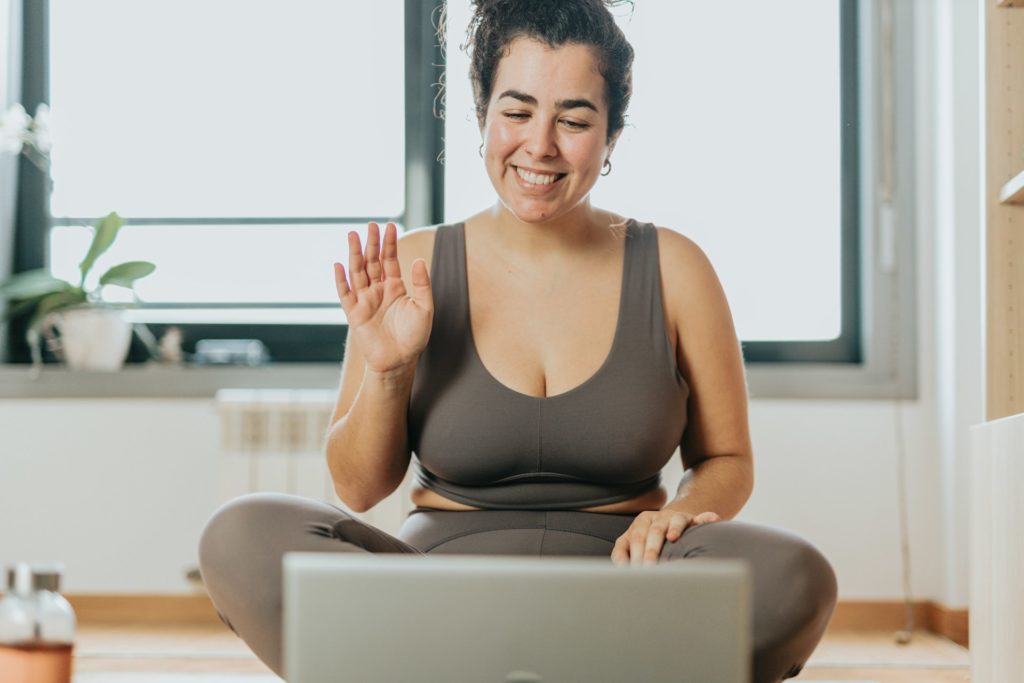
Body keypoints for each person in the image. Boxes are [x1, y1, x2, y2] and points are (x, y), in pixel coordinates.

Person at [198, 1, 837, 681]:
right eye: (517, 110)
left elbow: (727, 457)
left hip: (627, 591)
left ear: (611, 134)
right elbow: (357, 488)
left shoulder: (675, 266)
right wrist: (388, 369)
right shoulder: (414, 264)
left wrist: (675, 514)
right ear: (481, 117)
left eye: (574, 119)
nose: (540, 145)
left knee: (796, 575)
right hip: (437, 593)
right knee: (239, 534)